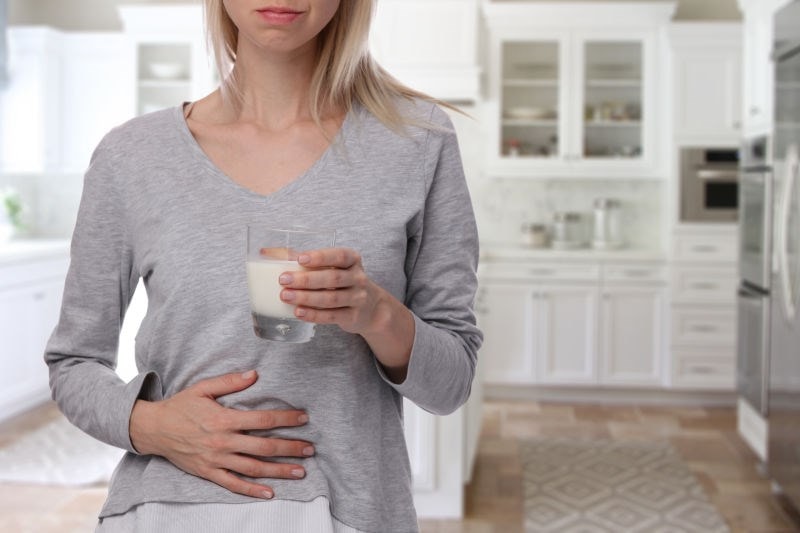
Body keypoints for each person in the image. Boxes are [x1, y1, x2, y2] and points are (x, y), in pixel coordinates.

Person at [44, 0, 482, 531]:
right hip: (170, 511)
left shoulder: (418, 140)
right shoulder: (131, 157)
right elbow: (73, 362)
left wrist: (376, 314)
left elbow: (451, 383)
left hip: (353, 511)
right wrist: (153, 425)